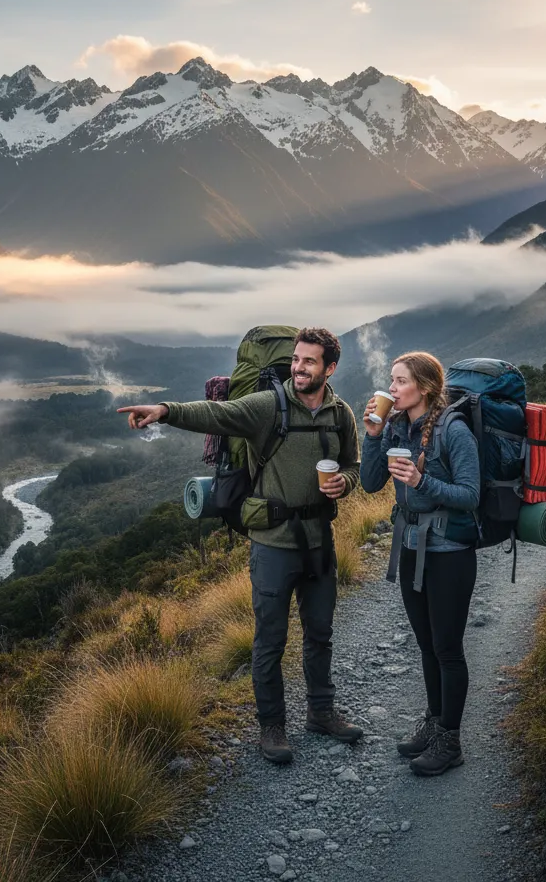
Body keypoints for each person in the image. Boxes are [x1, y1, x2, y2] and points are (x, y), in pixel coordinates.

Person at [118, 327, 363, 764]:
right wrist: (163, 410)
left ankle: (322, 713)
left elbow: (353, 464)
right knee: (270, 639)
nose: (299, 367)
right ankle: (271, 727)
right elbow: (216, 414)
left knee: (320, 633)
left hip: (319, 541)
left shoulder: (340, 414)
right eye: (296, 359)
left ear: (330, 367)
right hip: (272, 543)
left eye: (309, 361)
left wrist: (345, 481)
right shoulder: (268, 406)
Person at [360, 351, 480, 776]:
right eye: (390, 381)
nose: (390, 389)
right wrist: (373, 435)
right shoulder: (396, 425)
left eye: (399, 381)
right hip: (410, 546)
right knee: (426, 644)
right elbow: (371, 482)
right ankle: (433, 725)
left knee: (447, 648)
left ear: (424, 388)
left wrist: (420, 480)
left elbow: (470, 495)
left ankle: (451, 740)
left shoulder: (454, 430)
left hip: (450, 554)